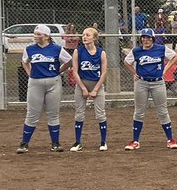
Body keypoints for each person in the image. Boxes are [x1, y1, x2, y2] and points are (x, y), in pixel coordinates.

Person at [18, 25, 72, 154]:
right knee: (32, 114)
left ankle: (55, 143)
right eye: (35, 34)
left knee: (53, 113)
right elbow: (24, 61)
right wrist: (29, 72)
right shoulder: (30, 49)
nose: (36, 36)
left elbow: (69, 61)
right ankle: (24, 143)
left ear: (47, 36)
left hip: (53, 82)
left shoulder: (57, 49)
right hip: (35, 82)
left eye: (39, 34)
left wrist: (60, 71)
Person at [123, 28, 177, 151]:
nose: (145, 40)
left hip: (158, 83)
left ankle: (170, 139)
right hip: (141, 83)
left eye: (148, 37)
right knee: (139, 112)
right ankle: (135, 141)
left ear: (153, 39)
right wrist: (134, 72)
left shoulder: (161, 48)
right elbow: (127, 62)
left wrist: (165, 69)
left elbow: (175, 57)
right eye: (143, 37)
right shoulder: (137, 51)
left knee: (163, 111)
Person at [71, 26, 109, 152]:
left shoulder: (101, 53)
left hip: (96, 84)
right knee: (79, 113)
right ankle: (77, 142)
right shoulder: (78, 51)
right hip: (82, 84)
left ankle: (103, 142)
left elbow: (104, 73)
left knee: (100, 114)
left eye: (88, 35)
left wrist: (95, 90)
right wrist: (83, 88)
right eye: (83, 35)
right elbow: (75, 72)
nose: (84, 37)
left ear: (94, 38)